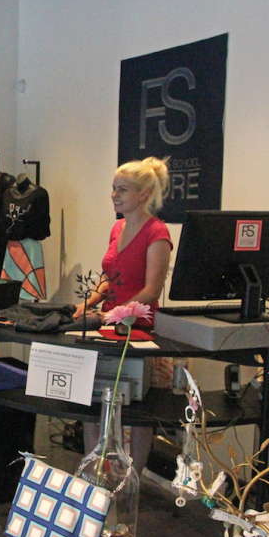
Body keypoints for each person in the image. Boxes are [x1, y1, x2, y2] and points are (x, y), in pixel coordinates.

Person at [73, 156, 172, 475]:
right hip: (107, 327)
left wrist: (116, 313)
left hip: (137, 329)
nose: (115, 195)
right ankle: (94, 471)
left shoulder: (157, 233)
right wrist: (90, 302)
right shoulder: (117, 227)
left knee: (138, 410)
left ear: (143, 194)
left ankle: (134, 476)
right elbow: (109, 275)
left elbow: (151, 291)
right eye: (113, 189)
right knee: (93, 402)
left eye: (123, 190)